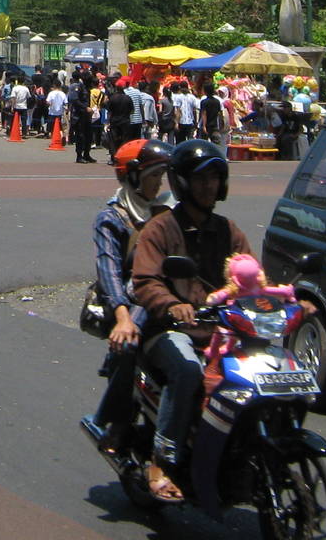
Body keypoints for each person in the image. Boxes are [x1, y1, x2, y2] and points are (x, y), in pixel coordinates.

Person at [129, 140, 251, 503]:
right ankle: (162, 459)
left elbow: (251, 276)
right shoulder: (161, 229)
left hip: (220, 330)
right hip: (169, 330)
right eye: (200, 179)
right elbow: (145, 280)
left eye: (215, 178)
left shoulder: (229, 231)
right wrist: (171, 304)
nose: (209, 186)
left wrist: (281, 301)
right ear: (182, 183)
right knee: (187, 370)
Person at [85, 139, 174, 456]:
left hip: (167, 296)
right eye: (154, 176)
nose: (159, 183)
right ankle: (114, 419)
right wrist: (122, 316)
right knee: (130, 342)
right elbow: (108, 272)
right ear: (134, 176)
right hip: (128, 300)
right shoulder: (112, 218)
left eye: (162, 176)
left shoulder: (166, 210)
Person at [103, 78, 132, 162]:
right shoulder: (128, 98)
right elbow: (132, 110)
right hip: (125, 121)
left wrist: (108, 121)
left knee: (114, 140)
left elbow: (109, 110)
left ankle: (114, 157)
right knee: (124, 140)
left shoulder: (113, 98)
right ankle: (123, 157)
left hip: (114, 121)